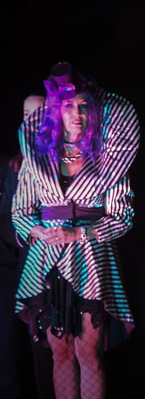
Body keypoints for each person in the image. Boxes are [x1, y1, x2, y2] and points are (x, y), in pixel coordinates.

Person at [11, 62, 140, 399]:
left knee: (89, 353)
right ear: (57, 111)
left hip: (90, 262)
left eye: (84, 106)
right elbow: (20, 212)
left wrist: (79, 234)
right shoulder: (38, 157)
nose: (77, 114)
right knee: (61, 352)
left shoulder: (109, 160)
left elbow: (123, 216)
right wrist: (40, 231)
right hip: (47, 260)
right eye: (69, 106)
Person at [0, 92, 47, 399]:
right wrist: (28, 231)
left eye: (41, 114)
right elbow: (9, 220)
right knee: (10, 358)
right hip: (15, 269)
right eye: (28, 115)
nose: (34, 123)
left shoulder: (71, 163)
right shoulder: (13, 167)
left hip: (53, 271)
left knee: (54, 357)